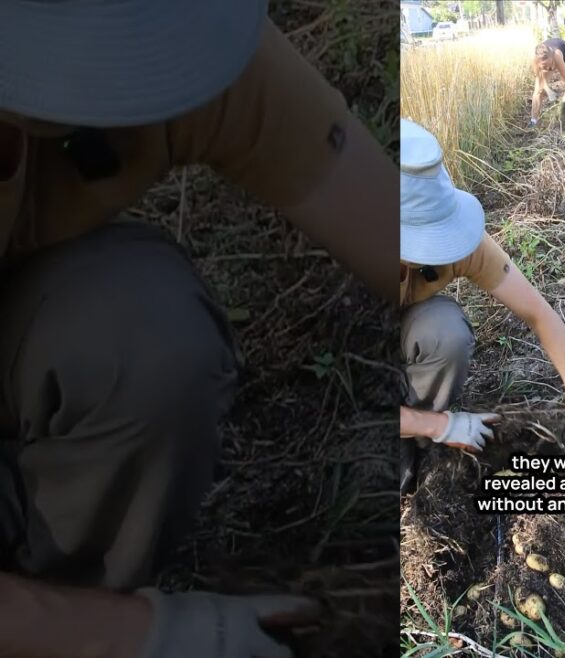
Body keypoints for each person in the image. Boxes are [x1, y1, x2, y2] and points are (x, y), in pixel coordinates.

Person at [0, 0, 399, 655]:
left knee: (138, 333)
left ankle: (67, 586)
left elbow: (400, 239)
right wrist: (143, 636)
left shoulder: (165, 34)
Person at [398, 119, 565, 493]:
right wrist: (441, 426)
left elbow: (539, 314)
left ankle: (411, 434)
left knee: (444, 331)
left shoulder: (457, 244)